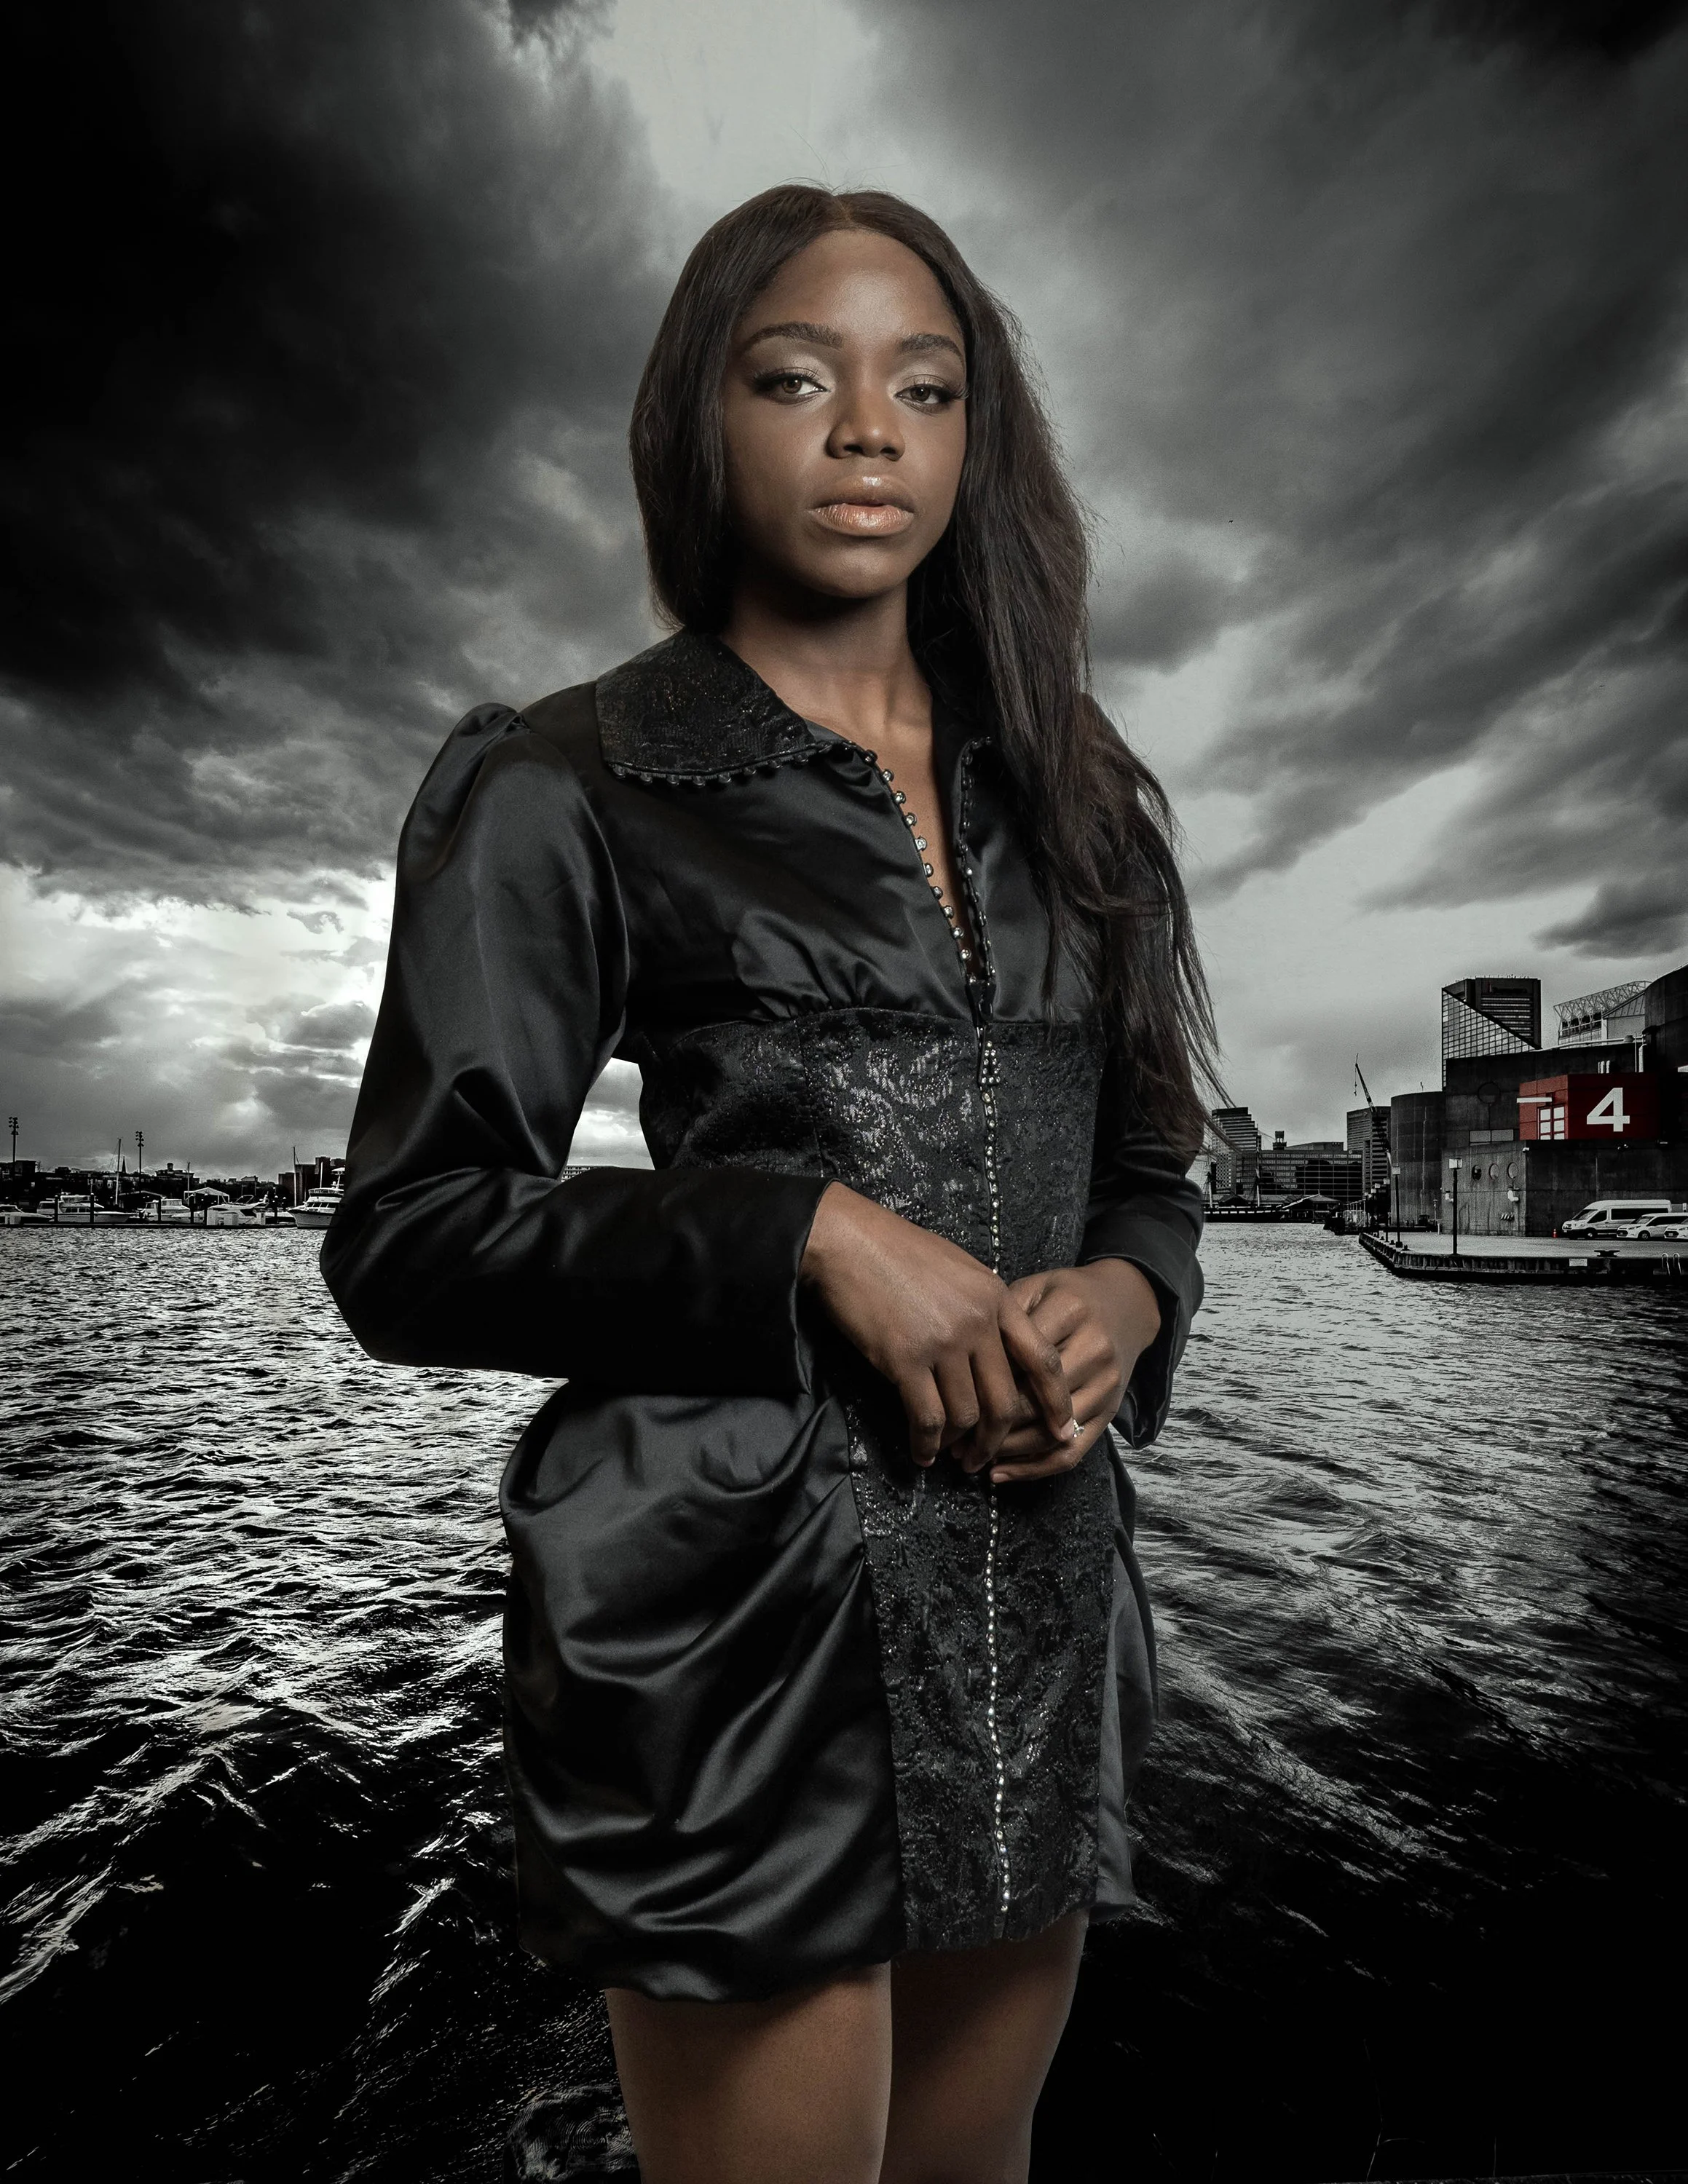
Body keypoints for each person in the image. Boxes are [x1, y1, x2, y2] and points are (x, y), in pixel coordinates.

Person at [323, 183, 1212, 2184]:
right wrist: (806, 1235)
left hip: (1033, 1594)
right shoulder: (565, 780)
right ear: (698, 424)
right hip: (739, 1619)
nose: (867, 431)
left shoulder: (1077, 793)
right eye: (792, 378)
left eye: (925, 385)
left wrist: (1125, 1297)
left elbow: (1151, 1159)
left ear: (979, 440)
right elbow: (407, 1236)